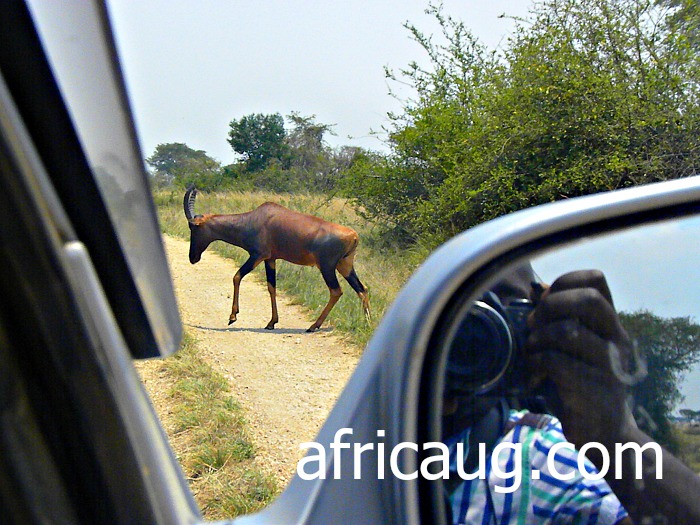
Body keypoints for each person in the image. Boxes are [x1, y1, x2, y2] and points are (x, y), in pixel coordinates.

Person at [442, 266, 700, 524]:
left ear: (536, 323)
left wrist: (613, 437)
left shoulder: (542, 462)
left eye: (502, 315)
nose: (477, 339)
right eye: (462, 320)